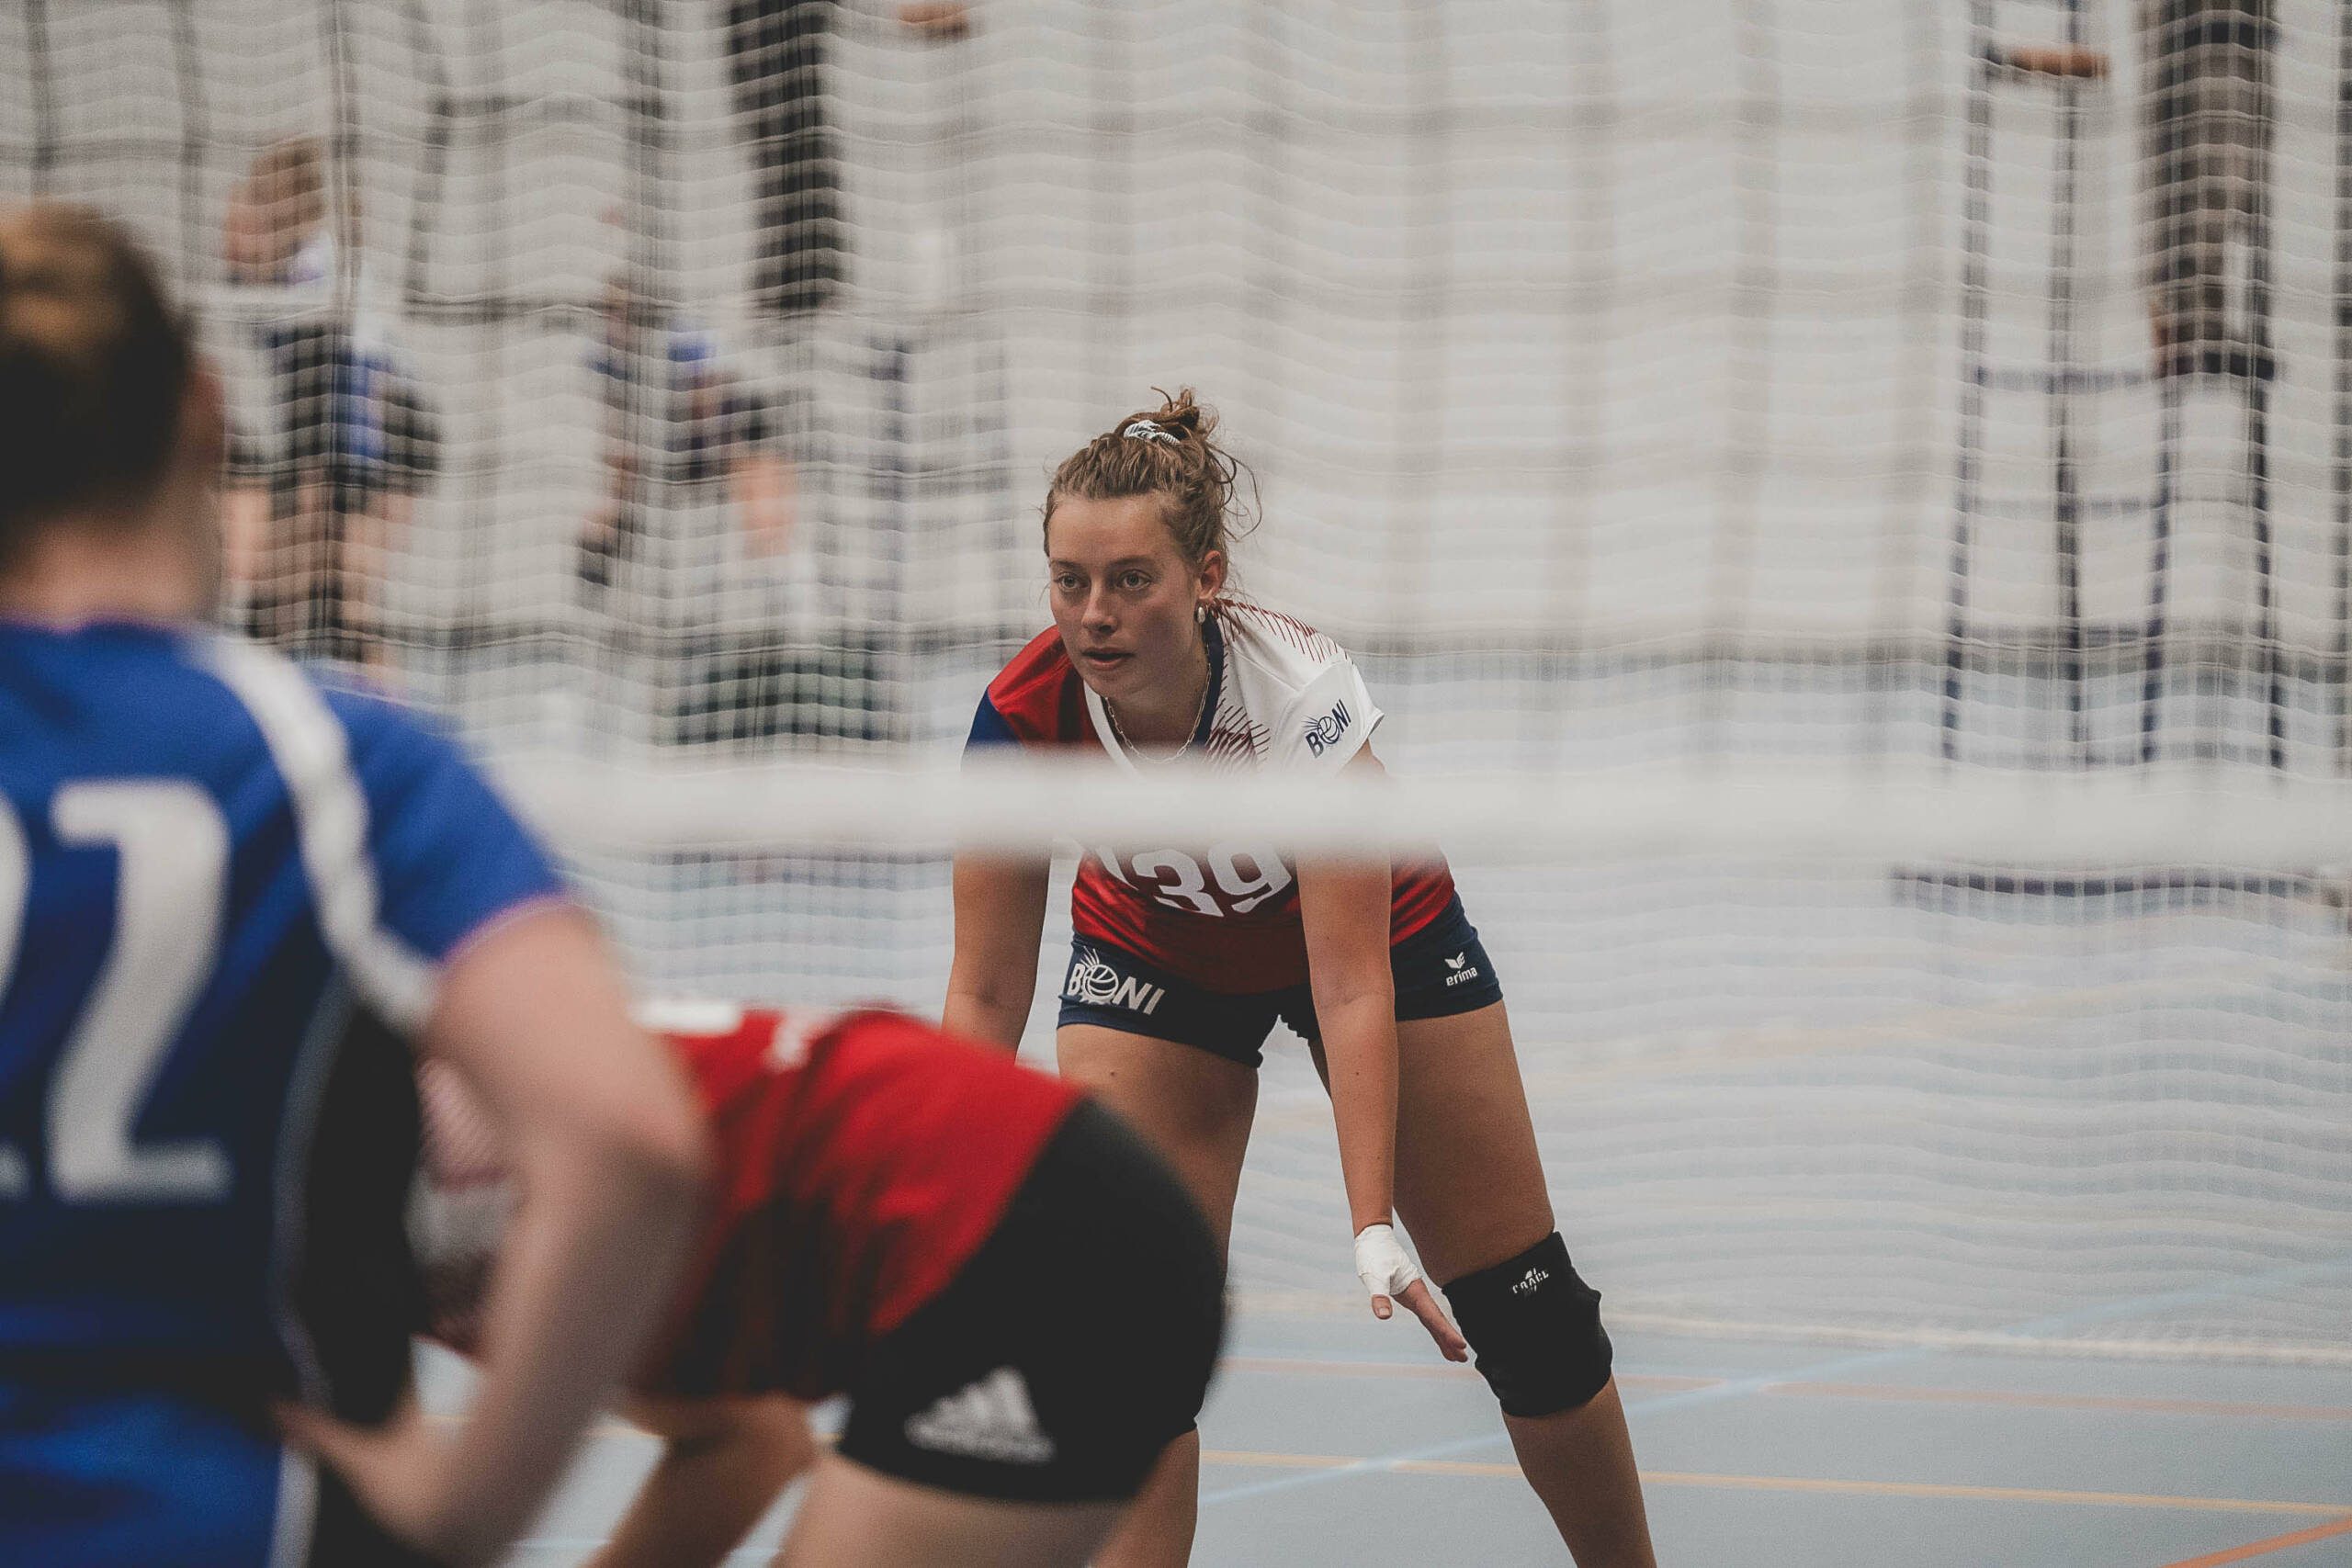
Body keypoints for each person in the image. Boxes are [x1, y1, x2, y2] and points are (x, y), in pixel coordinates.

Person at [0, 204, 708, 1567]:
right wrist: (467, 1514)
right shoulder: (338, 756)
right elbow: (630, 1141)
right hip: (228, 1515)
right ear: (207, 413)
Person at [943, 390, 1659, 1568]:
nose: (1094, 615)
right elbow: (981, 994)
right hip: (1152, 952)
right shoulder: (1024, 717)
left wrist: (1370, 1222)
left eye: (1131, 580)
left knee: (1532, 1321)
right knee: (1131, 1348)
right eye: (1068, 581)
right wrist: (944, 1196)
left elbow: (1347, 987)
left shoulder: (1299, 701)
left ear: (1207, 575)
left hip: (1384, 943)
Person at [407, 1000, 1224, 1568]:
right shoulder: (456, 1159)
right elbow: (745, 1445)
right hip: (1059, 1219)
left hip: (1034, 1242)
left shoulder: (424, 1197)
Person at [220, 137, 439, 667]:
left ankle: (383, 718)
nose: (228, 232)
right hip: (331, 428)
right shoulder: (252, 281)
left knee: (343, 603)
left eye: (247, 217)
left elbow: (343, 390)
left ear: (280, 221)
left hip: (381, 431)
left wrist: (321, 486)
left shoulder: (316, 280)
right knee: (279, 605)